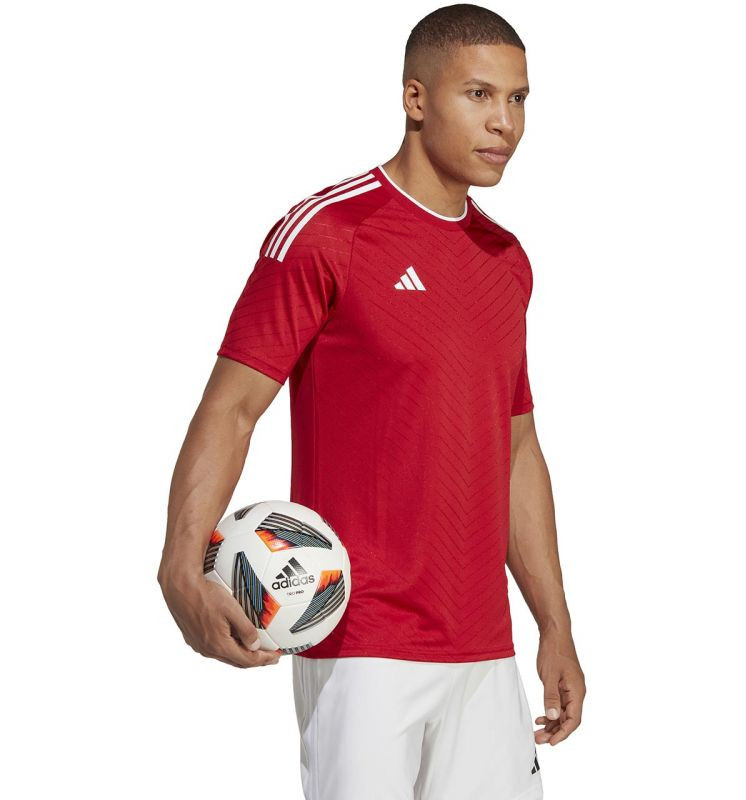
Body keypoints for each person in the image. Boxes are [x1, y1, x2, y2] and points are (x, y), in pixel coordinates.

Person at [157, 4, 585, 798]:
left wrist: (553, 623)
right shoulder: (328, 233)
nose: (506, 122)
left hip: (484, 650)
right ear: (415, 98)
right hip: (361, 641)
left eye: (519, 99)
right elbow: (232, 408)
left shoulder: (506, 262)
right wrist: (181, 566)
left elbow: (517, 447)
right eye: (480, 95)